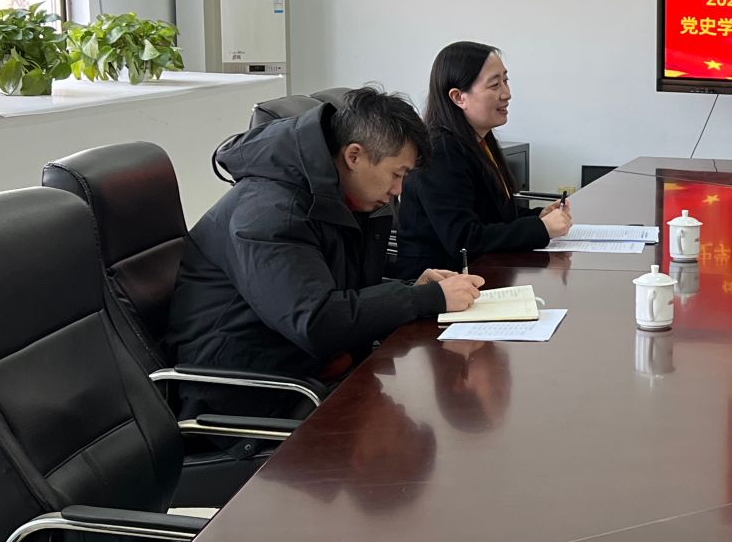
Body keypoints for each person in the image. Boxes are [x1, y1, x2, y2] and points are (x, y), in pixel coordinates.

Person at [166, 86, 483, 410]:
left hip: (309, 372)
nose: (398, 189)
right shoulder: (268, 213)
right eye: (396, 174)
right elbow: (315, 321)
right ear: (354, 156)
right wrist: (423, 298)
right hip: (247, 394)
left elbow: (342, 291)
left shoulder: (340, 196)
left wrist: (413, 289)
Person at [396, 41, 573, 276]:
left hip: (481, 273)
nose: (507, 94)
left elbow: (491, 215)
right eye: (494, 85)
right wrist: (540, 229)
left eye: (505, 81)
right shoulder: (440, 151)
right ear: (458, 97)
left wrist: (538, 216)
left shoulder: (478, 140)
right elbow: (463, 240)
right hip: (439, 282)